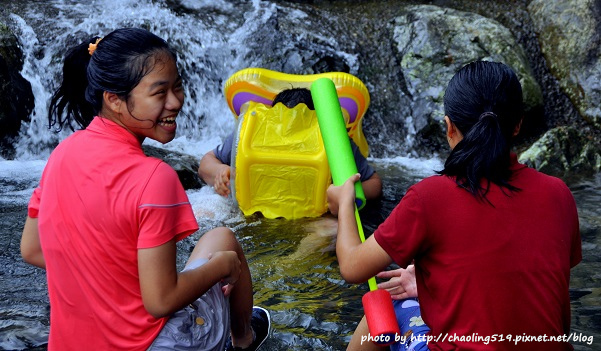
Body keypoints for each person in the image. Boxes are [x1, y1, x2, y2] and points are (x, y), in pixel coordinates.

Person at [20, 28, 270, 351]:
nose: (176, 101)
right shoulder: (155, 177)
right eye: (159, 93)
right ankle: (244, 340)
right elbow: (161, 301)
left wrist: (102, 277)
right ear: (114, 99)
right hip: (150, 345)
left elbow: (31, 248)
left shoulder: (60, 156)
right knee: (224, 243)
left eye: (177, 86)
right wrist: (223, 266)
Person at [328, 61, 581, 350]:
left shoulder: (429, 197)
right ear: (518, 125)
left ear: (449, 127)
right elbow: (546, 301)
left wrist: (345, 202)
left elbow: (351, 266)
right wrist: (428, 288)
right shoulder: (559, 194)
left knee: (383, 306)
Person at [198, 87, 382, 215]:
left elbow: (374, 183)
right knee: (206, 210)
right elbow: (207, 161)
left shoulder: (335, 143)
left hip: (312, 215)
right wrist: (219, 172)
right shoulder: (249, 137)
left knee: (330, 227)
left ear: (318, 128)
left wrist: (344, 195)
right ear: (269, 120)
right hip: (252, 210)